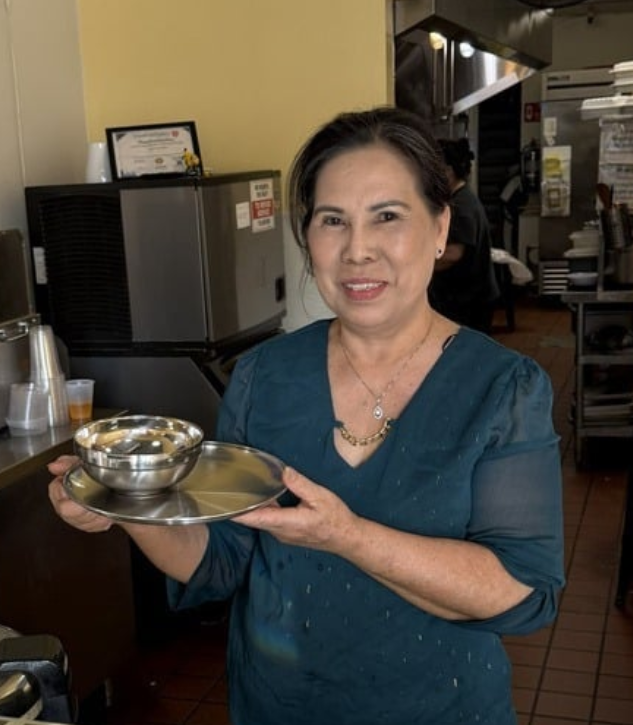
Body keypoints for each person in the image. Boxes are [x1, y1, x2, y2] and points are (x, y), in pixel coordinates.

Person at [47, 107, 564, 725]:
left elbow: (520, 591)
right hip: (277, 706)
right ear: (308, 237)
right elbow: (221, 560)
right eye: (333, 220)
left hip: (440, 708)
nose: (358, 250)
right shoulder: (264, 376)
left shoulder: (503, 388)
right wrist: (127, 502)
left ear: (438, 227)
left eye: (388, 217)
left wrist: (347, 536)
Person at [428, 136, 500, 333]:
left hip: (469, 300)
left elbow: (453, 253)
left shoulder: (461, 206)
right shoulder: (461, 198)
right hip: (468, 296)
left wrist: (420, 266)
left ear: (449, 171)